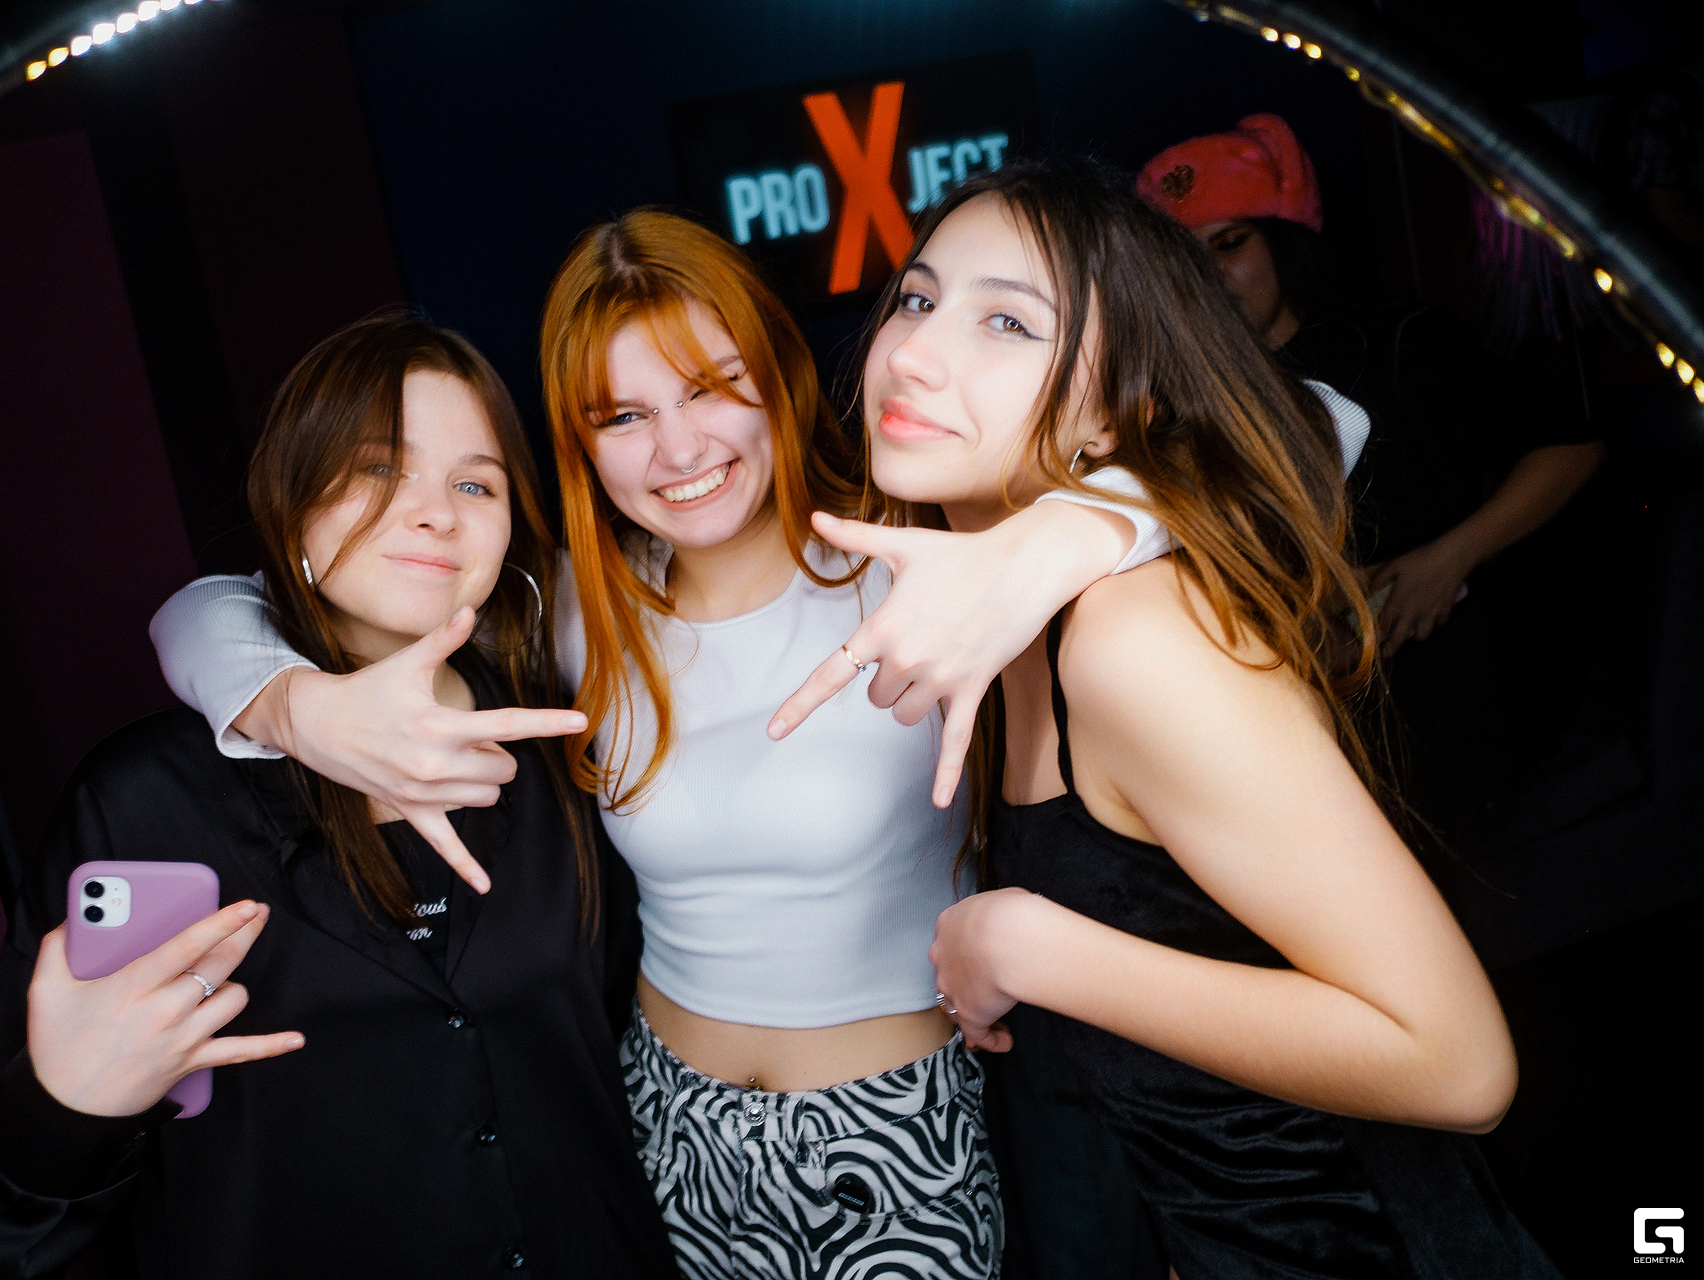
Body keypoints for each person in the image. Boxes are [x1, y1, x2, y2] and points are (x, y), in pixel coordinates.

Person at [147, 212, 1368, 1280]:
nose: (678, 450)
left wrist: (1068, 536)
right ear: (580, 446)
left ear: (778, 374)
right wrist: (299, 709)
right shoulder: (579, 608)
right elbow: (201, 612)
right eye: (625, 416)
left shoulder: (924, 552)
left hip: (900, 1124)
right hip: (667, 1124)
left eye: (711, 388)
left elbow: (1326, 420)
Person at [893, 159, 1558, 1276]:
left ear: (1116, 413)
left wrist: (1029, 946)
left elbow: (1458, 1064)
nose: (914, 350)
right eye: (917, 299)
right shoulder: (1001, 623)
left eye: (1007, 321)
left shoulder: (1133, 637)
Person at [0, 313, 677, 1279]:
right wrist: (67, 1109)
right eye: (378, 468)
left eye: (475, 484)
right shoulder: (148, 802)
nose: (435, 513)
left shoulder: (568, 756)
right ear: (292, 498)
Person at [1138, 113, 1606, 827]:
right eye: (1188, 261)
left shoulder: (1403, 343)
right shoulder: (1178, 409)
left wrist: (1451, 556)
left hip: (1452, 679)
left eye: (1231, 244)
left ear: (1282, 241)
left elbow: (1571, 446)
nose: (1214, 276)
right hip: (1298, 714)